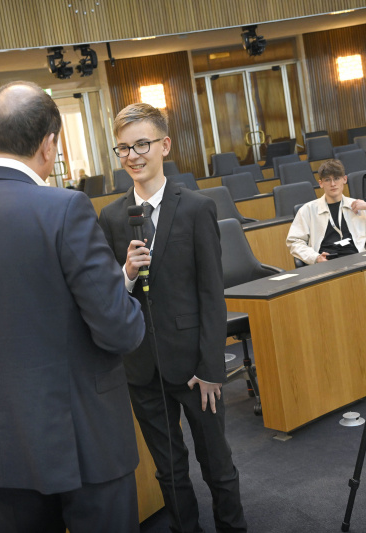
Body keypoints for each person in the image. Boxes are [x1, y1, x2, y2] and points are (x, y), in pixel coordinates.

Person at [0, 81, 146, 532]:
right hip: (84, 442)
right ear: (49, 143)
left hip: (1, 448)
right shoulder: (65, 209)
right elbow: (119, 331)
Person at [98, 103, 247, 532]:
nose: (132, 156)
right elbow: (108, 298)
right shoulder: (111, 218)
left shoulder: (197, 207)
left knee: (217, 465)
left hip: (195, 369)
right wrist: (125, 274)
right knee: (170, 472)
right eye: (123, 148)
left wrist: (211, 368)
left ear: (164, 145)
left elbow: (210, 297)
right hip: (141, 370)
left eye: (141, 144)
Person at [286, 159, 366, 265]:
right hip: (326, 264)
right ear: (321, 183)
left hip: (358, 261)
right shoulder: (307, 210)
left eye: (336, 178)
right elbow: (294, 242)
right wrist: (315, 257)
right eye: (327, 180)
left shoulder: (360, 206)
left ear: (344, 179)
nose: (333, 184)